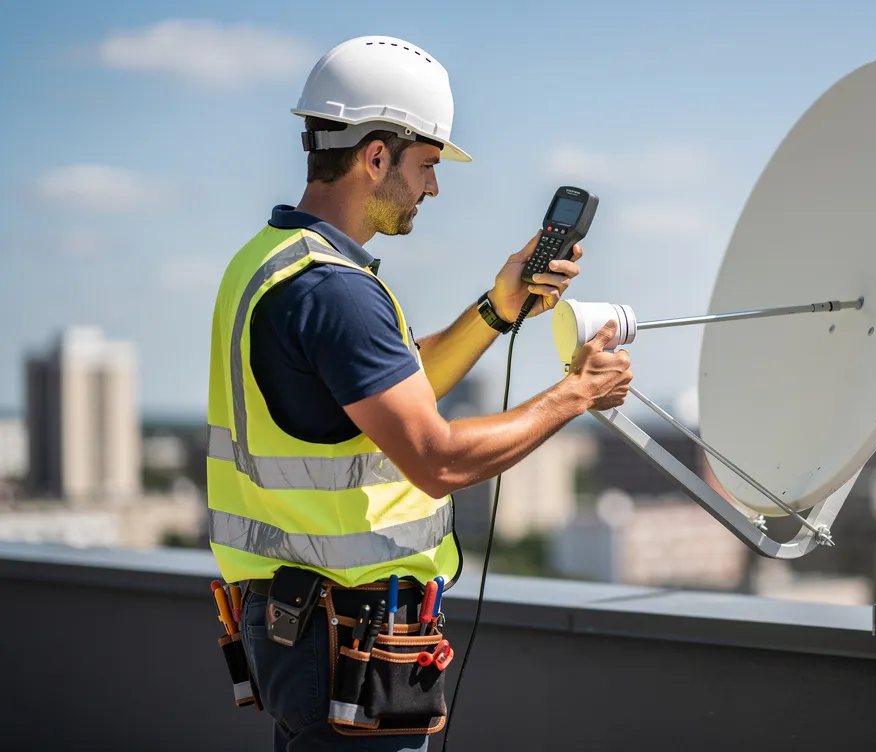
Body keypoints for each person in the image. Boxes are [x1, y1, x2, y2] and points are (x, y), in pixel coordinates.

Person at [203, 35, 633, 751]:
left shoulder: (276, 262)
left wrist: (498, 309)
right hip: (347, 640)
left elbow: (394, 391)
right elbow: (434, 458)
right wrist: (576, 394)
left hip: (300, 626)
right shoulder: (335, 290)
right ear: (376, 156)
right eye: (427, 165)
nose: (432, 188)